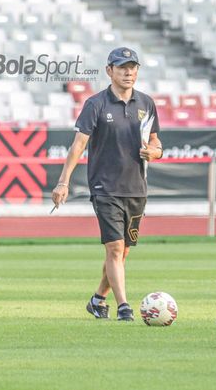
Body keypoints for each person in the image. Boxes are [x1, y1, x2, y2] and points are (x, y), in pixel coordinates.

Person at [52, 47, 162, 321]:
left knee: (122, 251)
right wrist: (63, 182)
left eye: (133, 67)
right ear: (109, 71)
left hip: (136, 187)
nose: (128, 72)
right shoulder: (96, 104)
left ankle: (98, 299)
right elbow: (79, 145)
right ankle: (124, 306)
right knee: (114, 248)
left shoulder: (146, 104)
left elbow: (156, 142)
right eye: (122, 67)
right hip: (105, 188)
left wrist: (155, 152)